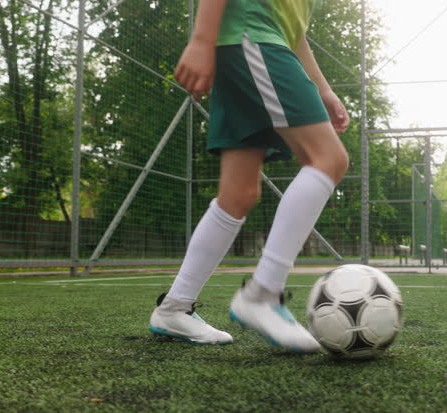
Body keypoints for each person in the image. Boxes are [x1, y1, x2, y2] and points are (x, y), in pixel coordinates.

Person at [149, 0, 349, 352]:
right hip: (251, 40)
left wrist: (323, 89)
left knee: (238, 194)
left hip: (251, 44)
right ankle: (262, 294)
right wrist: (201, 38)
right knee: (328, 158)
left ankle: (174, 307)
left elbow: (294, 31)